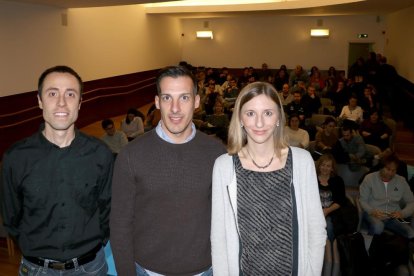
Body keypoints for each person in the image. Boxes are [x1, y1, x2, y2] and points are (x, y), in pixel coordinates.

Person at [110, 66, 225, 276]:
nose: (175, 108)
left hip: (205, 271)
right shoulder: (130, 155)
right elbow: (120, 225)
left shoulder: (217, 152)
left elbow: (226, 219)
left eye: (184, 98)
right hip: (146, 271)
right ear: (156, 102)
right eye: (167, 98)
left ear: (197, 101)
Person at [0, 65, 113, 275]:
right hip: (36, 269)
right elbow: (11, 217)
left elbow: (107, 211)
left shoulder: (101, 154)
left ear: (80, 103)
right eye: (52, 93)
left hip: (91, 267)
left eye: (70, 94)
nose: (61, 102)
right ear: (40, 100)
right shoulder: (15, 157)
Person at [211, 81, 326, 275]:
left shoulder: (302, 161)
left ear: (279, 117)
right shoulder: (224, 166)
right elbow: (219, 237)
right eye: (250, 113)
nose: (259, 123)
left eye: (268, 113)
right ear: (239, 118)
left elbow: (316, 229)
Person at [359, 154, 414, 239]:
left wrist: (402, 213)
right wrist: (372, 211)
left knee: (411, 233)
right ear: (381, 167)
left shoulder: (401, 181)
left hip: (392, 217)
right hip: (373, 214)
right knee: (378, 226)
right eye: (388, 169)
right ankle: (370, 248)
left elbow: (411, 201)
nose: (391, 173)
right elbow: (362, 200)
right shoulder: (369, 178)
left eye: (394, 170)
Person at [316, 154, 348, 276]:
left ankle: (328, 251)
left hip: (332, 212)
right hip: (314, 212)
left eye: (328, 166)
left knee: (328, 224)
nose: (325, 168)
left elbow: (340, 201)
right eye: (323, 165)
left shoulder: (338, 181)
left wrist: (326, 211)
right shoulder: (311, 178)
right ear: (319, 166)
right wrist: (318, 212)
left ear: (332, 168)